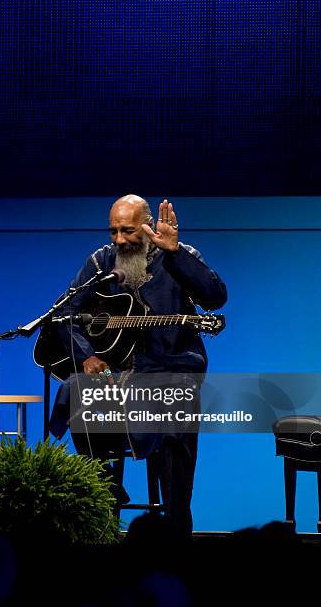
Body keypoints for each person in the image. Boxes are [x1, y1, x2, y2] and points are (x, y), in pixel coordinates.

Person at [49, 194, 227, 535]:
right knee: (73, 390)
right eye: (113, 230)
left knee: (169, 411)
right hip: (120, 375)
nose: (118, 239)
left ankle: (175, 527)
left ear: (146, 227)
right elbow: (64, 313)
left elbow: (215, 296)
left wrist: (174, 252)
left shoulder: (181, 256)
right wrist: (87, 354)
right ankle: (103, 483)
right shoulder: (101, 261)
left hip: (172, 370)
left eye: (127, 231)